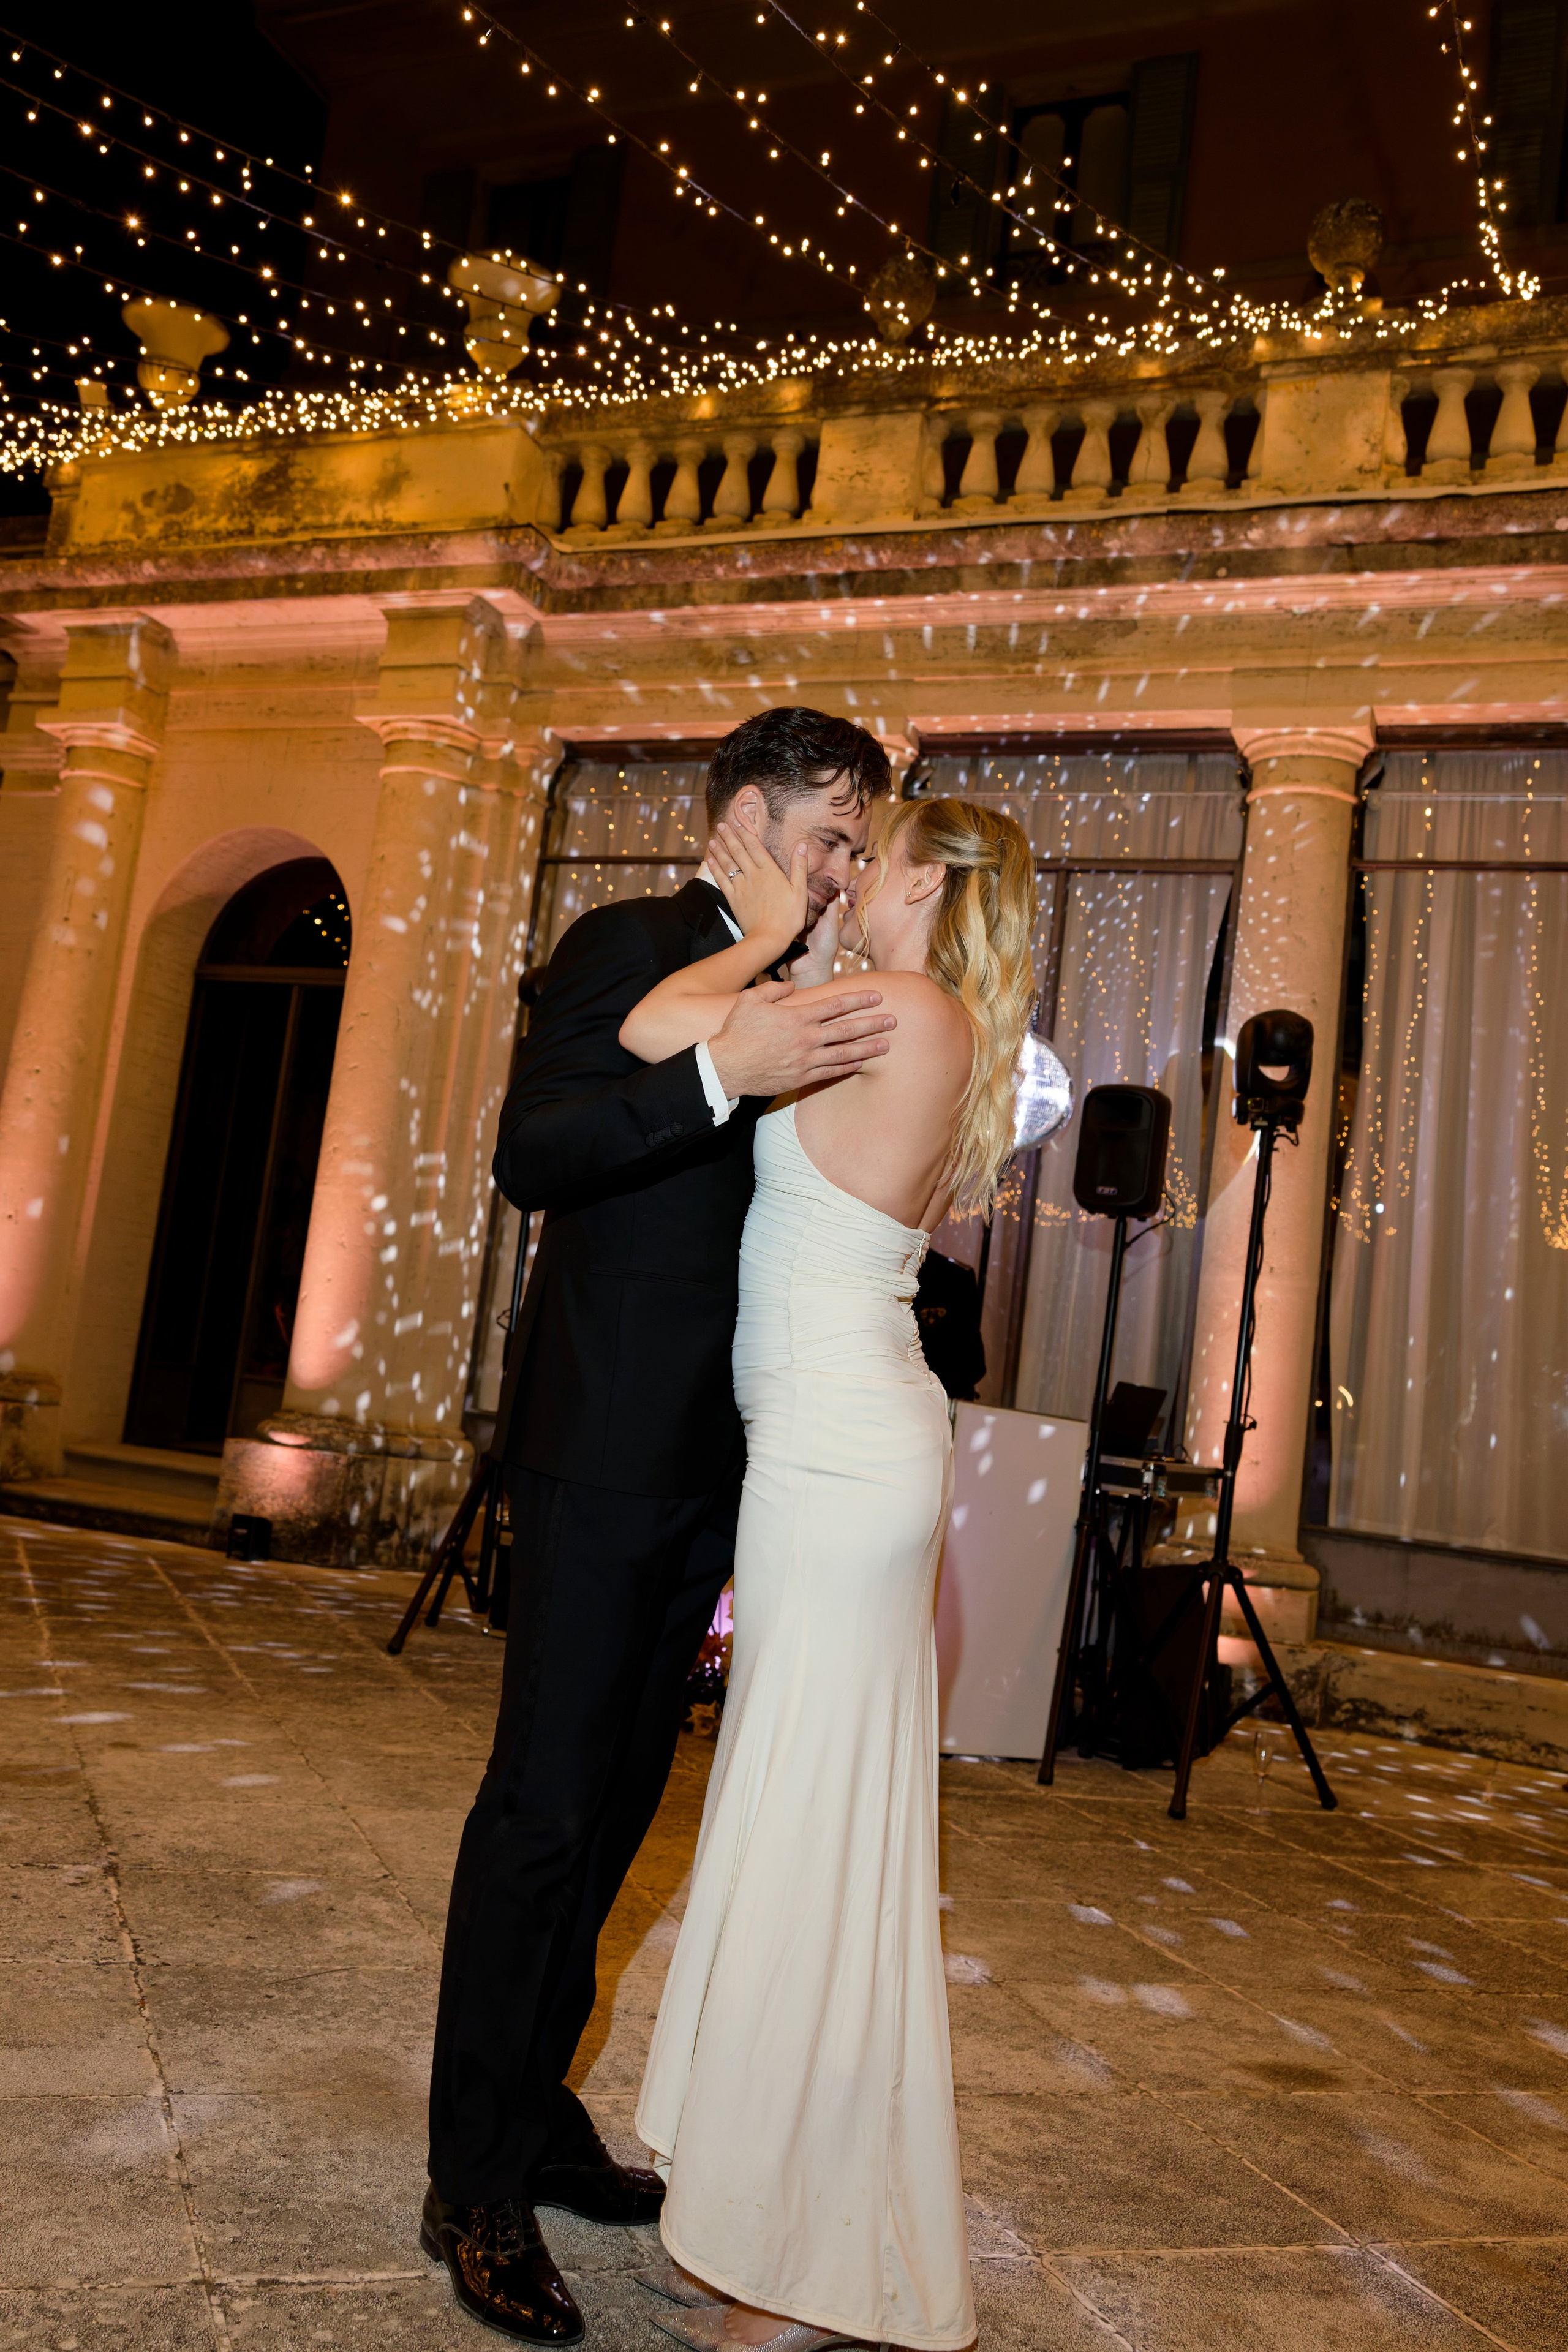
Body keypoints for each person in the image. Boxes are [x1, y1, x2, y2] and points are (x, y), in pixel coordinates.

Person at [421, 709, 897, 2346]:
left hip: (725, 1466)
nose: (849, 869)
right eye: (831, 837)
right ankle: (469, 2177)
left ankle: (538, 2103)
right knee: (543, 1811)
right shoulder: (628, 943)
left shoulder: (825, 987)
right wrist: (717, 1068)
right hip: (597, 1449)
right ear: (749, 822)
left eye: (858, 846)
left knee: (627, 1812)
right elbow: (533, 1157)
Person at [624, 794, 1038, 2352]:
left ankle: (805, 2262)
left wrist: (769, 930)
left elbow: (667, 1026)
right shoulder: (914, 1011)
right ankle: (749, 2211)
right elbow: (677, 1044)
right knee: (793, 1821)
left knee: (814, 1838)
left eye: (867, 860)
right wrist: (787, 946)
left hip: (840, 1458)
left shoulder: (895, 1004)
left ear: (922, 879)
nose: (842, 878)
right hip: (824, 1448)